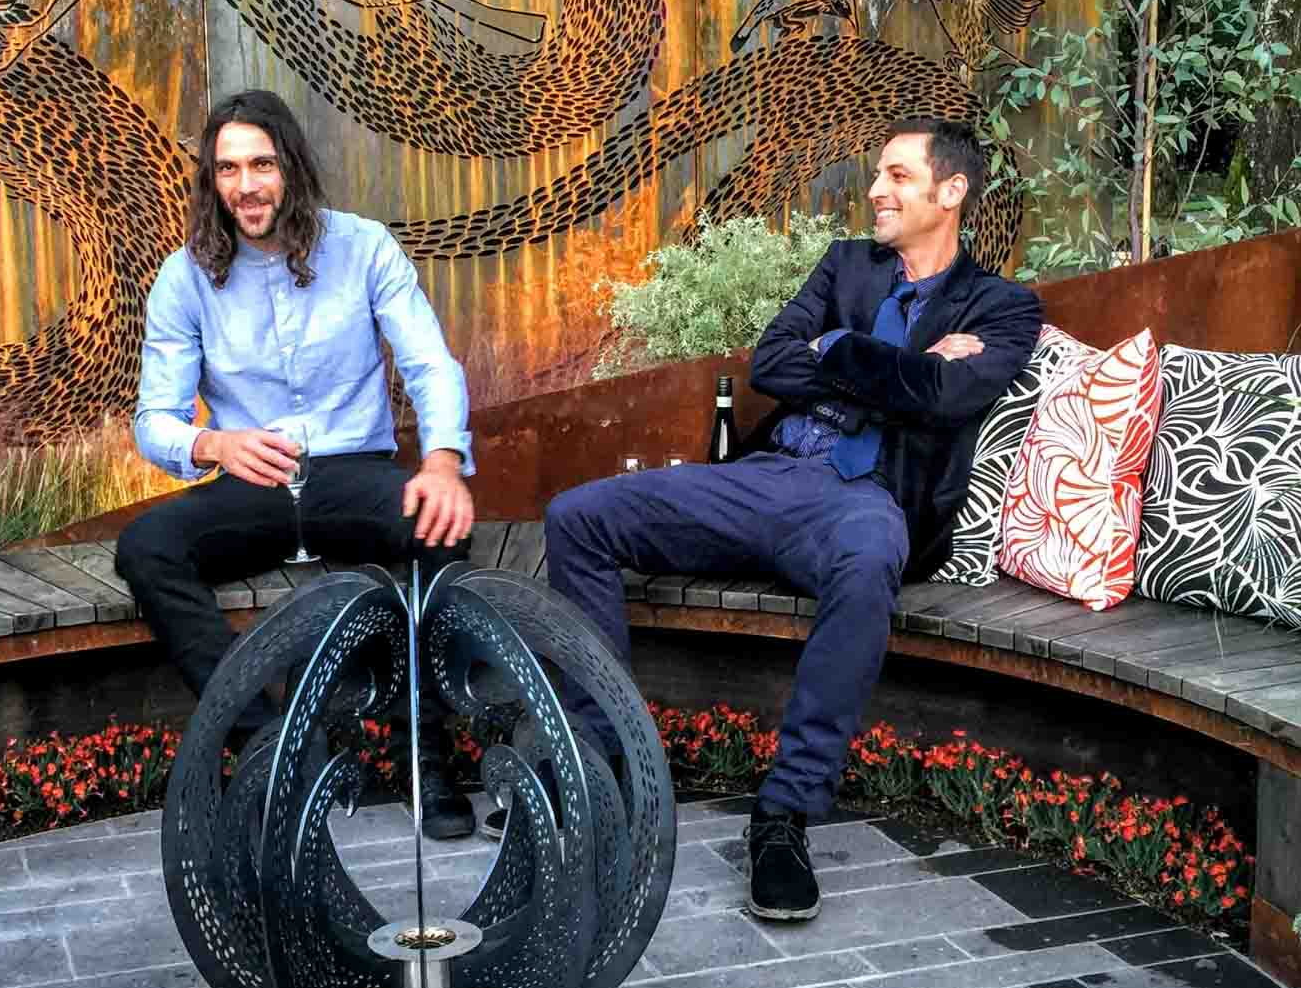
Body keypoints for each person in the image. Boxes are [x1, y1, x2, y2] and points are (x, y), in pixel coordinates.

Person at [545, 117, 1043, 919]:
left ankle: (783, 814)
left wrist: (835, 351)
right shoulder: (847, 264)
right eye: (878, 175)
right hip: (769, 477)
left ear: (951, 192)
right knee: (578, 517)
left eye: (898, 176)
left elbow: (947, 398)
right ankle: (599, 768)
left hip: (865, 500)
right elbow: (770, 365)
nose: (876, 191)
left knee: (869, 563)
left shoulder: (1002, 306)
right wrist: (885, 359)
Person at [116, 89, 482, 837]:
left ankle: (424, 757)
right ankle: (268, 746)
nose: (245, 185)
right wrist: (214, 444)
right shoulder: (184, 277)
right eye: (227, 169)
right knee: (146, 547)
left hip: (353, 472)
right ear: (211, 181)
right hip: (254, 479)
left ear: (291, 167)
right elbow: (154, 419)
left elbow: (429, 364)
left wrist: (443, 462)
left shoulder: (364, 247)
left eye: (261, 165)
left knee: (437, 528)